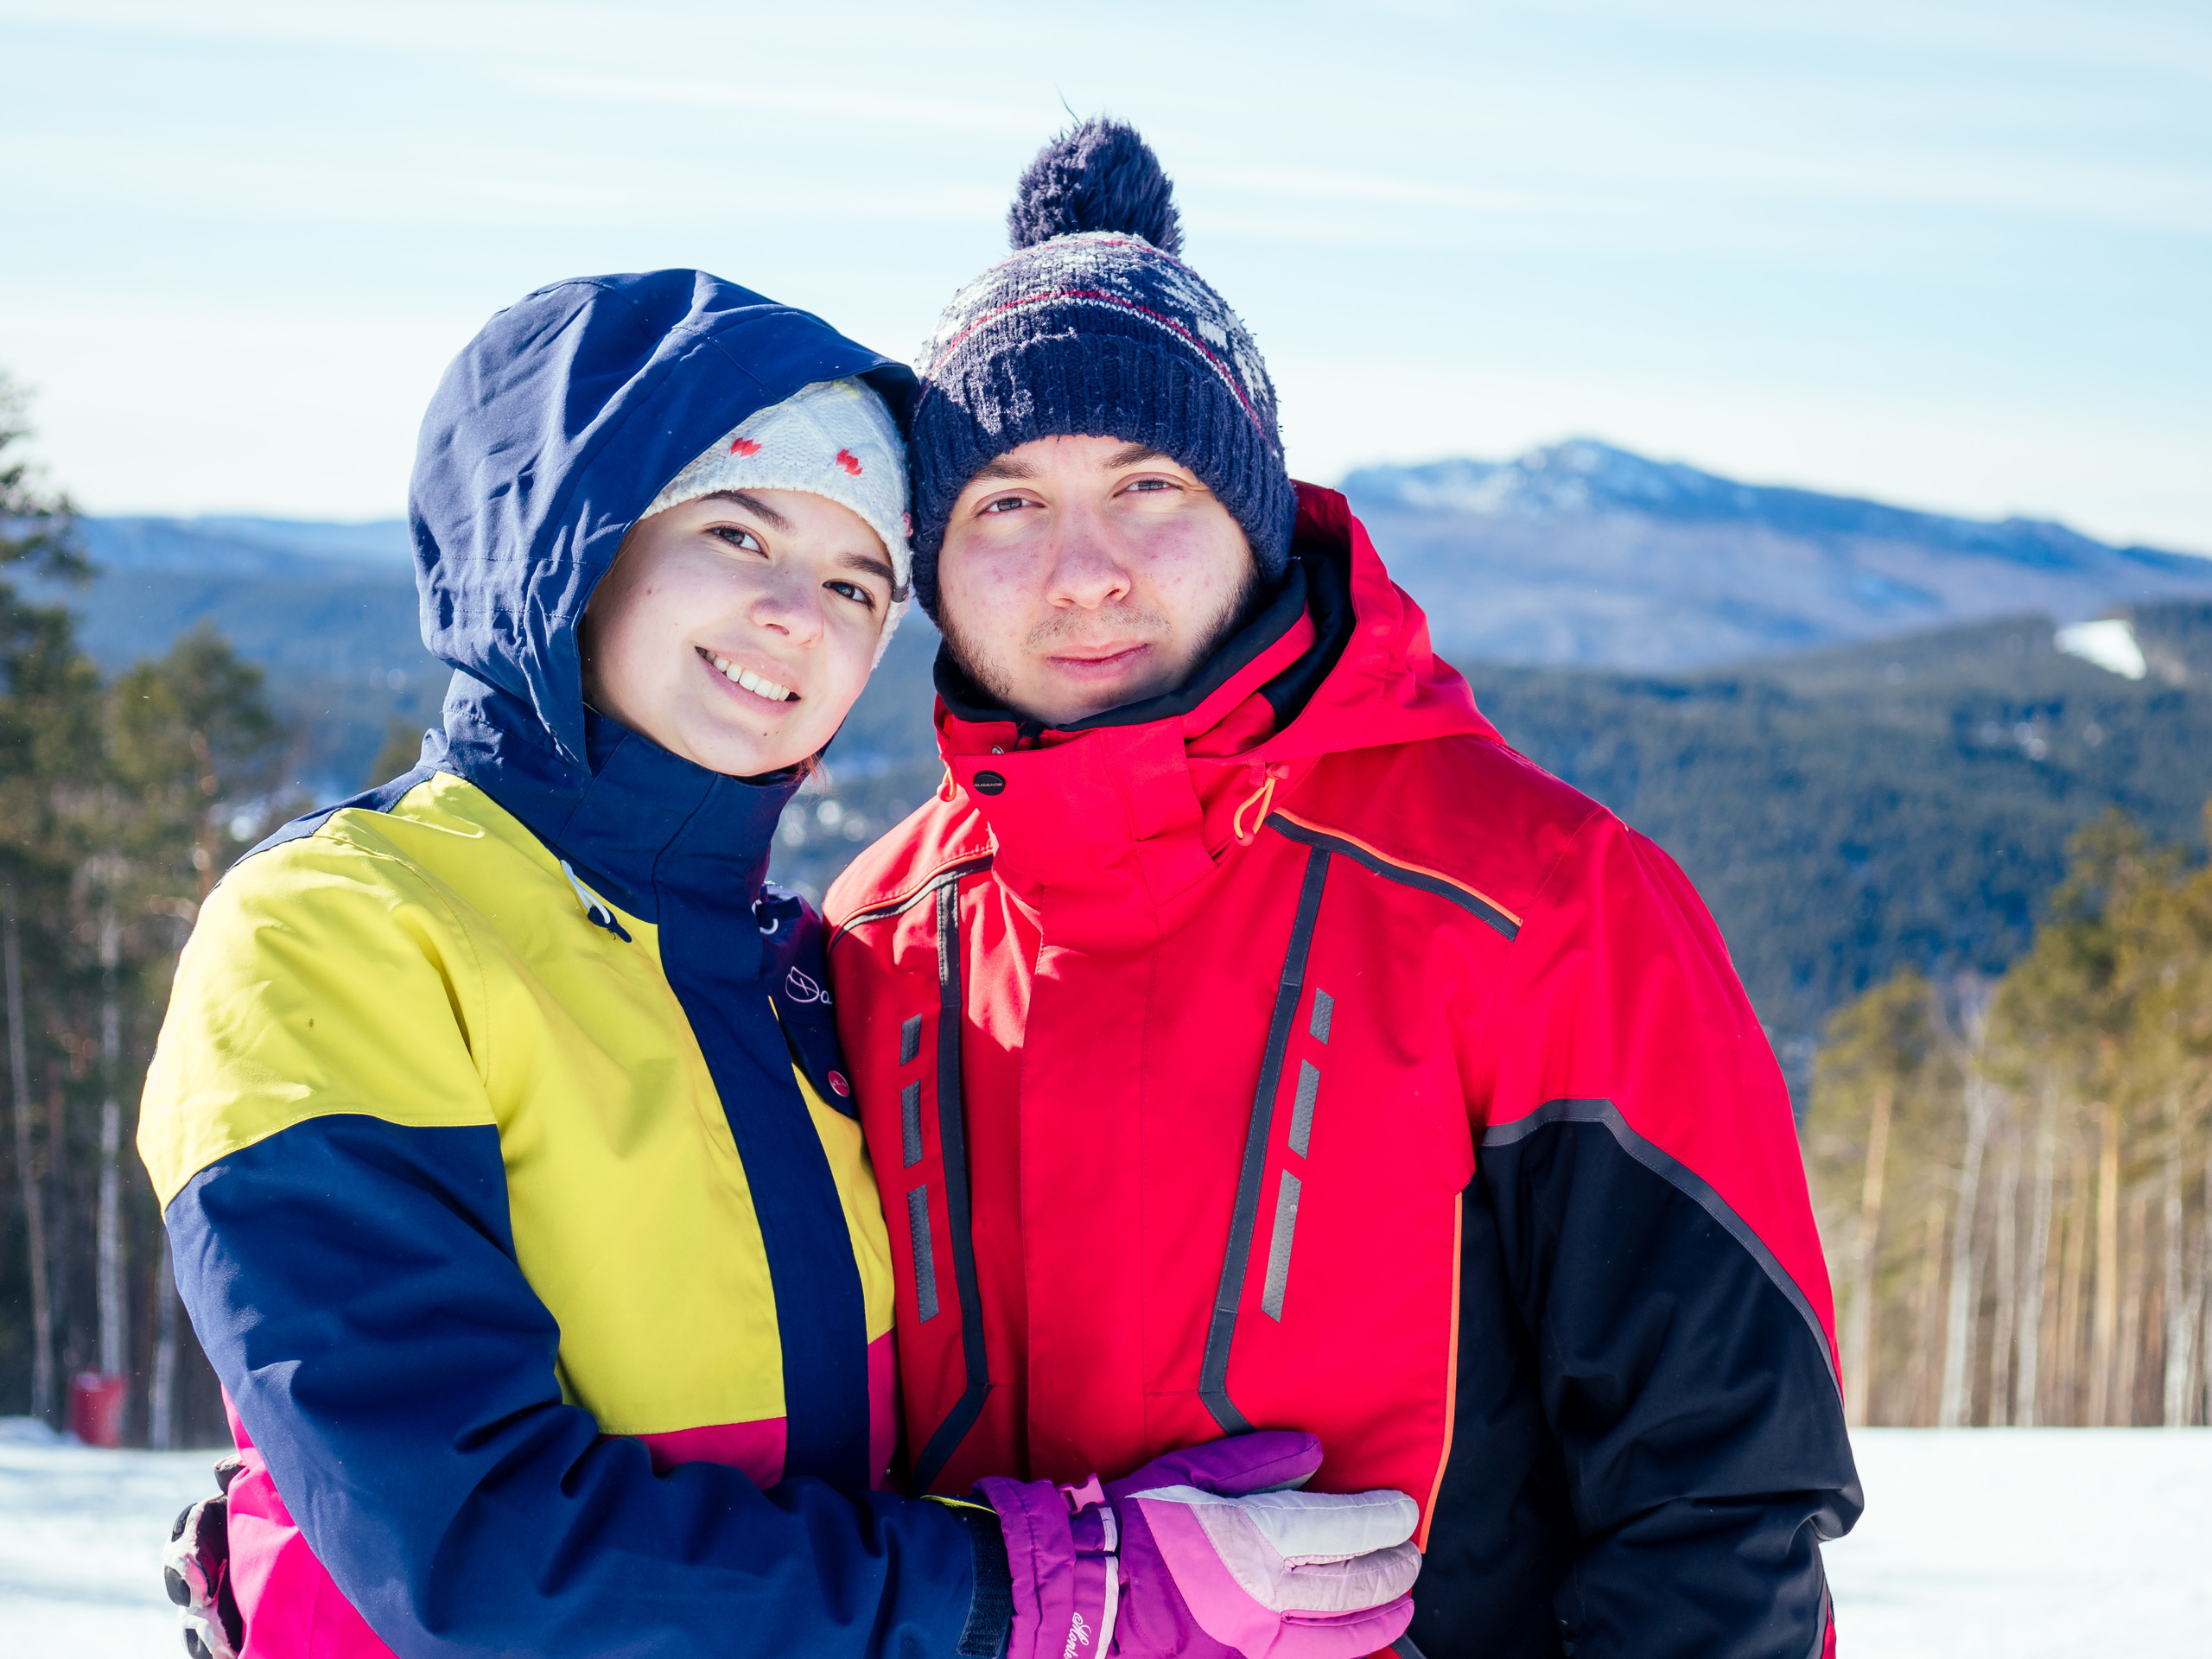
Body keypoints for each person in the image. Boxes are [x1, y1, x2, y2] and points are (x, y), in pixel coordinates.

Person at [140, 270, 1420, 1659]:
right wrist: (1055, 1591)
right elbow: (478, 1554)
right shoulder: (340, 932)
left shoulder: (801, 975)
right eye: (737, 534)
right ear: (577, 540)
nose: (798, 616)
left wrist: (1113, 1533)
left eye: (858, 579)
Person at [826, 122, 1864, 1659]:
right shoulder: (873, 938)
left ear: (1253, 509)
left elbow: (1717, 1496)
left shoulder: (1542, 901)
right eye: (1005, 505)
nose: (1083, 568)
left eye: (1147, 483)